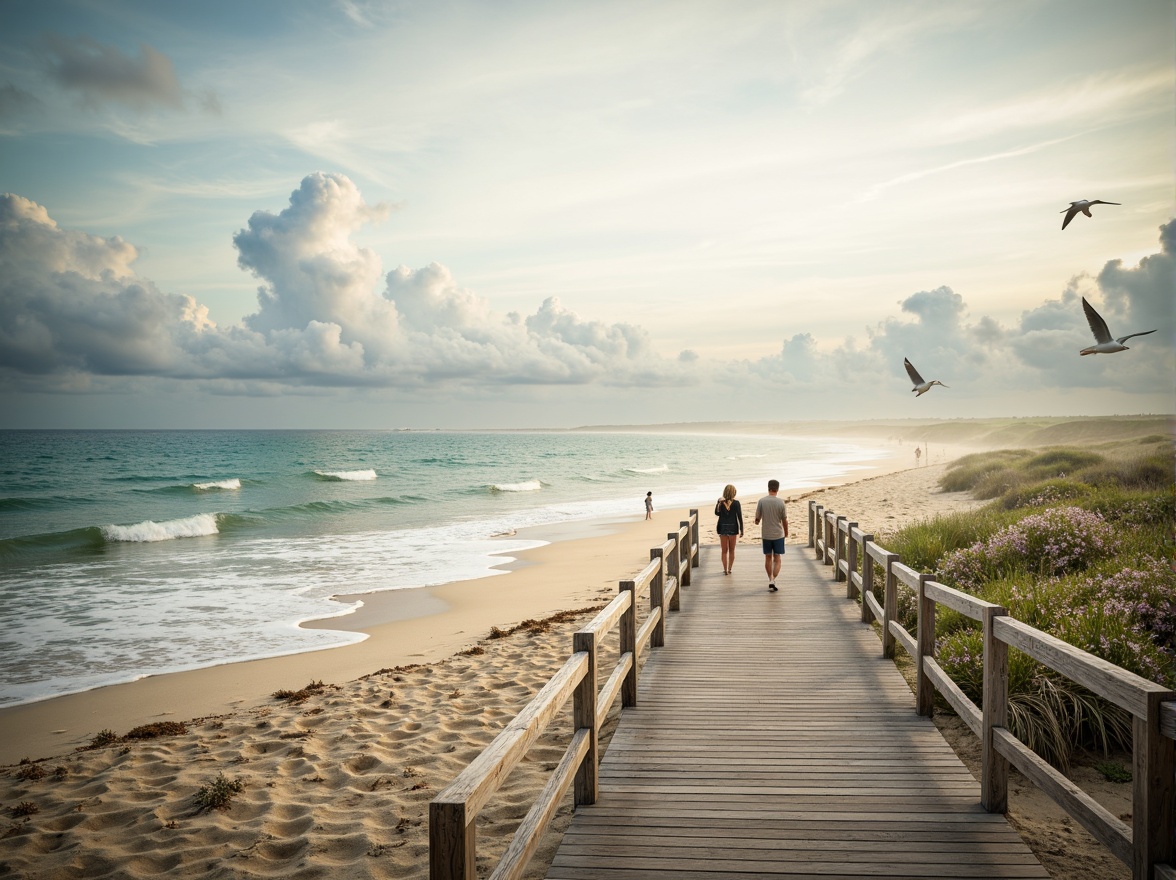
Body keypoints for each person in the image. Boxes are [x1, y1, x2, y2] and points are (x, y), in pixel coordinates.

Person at [754, 479, 788, 593]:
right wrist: (786, 532)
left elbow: (757, 519)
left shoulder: (762, 501)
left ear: (768, 488)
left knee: (768, 557)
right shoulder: (781, 502)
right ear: (777, 489)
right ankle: (773, 579)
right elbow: (784, 520)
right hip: (778, 534)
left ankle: (771, 579)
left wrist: (758, 520)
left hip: (766, 534)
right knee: (777, 558)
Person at [714, 484, 744, 575]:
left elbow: (717, 513)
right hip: (733, 527)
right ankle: (730, 568)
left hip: (723, 528)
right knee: (731, 550)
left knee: (724, 550)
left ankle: (725, 569)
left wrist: (718, 503)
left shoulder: (721, 502)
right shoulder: (736, 503)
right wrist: (742, 529)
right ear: (734, 493)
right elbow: (739, 517)